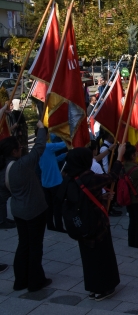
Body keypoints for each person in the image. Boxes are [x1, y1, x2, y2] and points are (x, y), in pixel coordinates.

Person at [61, 144, 124, 301]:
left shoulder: (69, 177)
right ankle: (103, 288)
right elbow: (112, 177)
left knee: (88, 258)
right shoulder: (89, 177)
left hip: (81, 224)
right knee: (103, 257)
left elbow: (79, 200)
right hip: (96, 225)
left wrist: (100, 198)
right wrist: (119, 158)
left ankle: (93, 288)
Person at [0, 120, 50, 292]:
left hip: (17, 210)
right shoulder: (21, 165)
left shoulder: (3, 169)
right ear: (14, 151)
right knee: (35, 246)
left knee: (23, 245)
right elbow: (38, 149)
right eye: (19, 147)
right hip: (34, 210)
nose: (21, 149)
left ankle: (20, 280)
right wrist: (41, 130)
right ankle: (36, 281)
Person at [41, 135, 68, 232]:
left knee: (49, 205)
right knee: (58, 205)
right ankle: (59, 226)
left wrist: (64, 155)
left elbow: (52, 160)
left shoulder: (37, 149)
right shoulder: (48, 146)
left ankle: (50, 225)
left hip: (45, 182)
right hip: (55, 182)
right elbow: (64, 144)